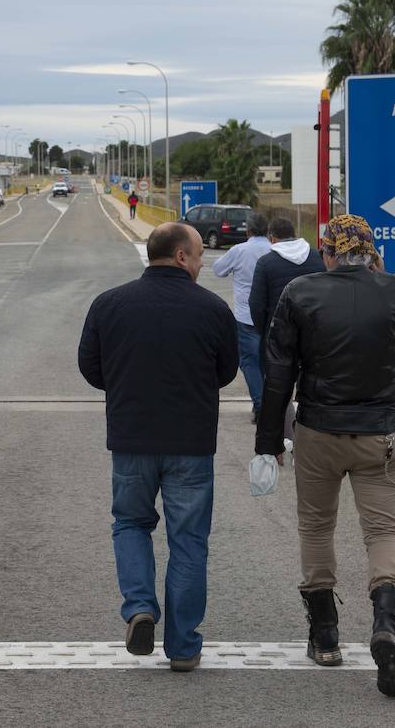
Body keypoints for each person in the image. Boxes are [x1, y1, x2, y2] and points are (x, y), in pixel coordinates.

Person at [256, 214, 395, 698]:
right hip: (380, 433)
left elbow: (279, 371)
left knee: (316, 525)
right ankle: (387, 622)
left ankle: (325, 633)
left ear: (327, 252)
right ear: (371, 250)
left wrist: (268, 439)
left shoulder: (301, 292)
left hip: (318, 430)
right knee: (384, 529)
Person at [78, 222, 238, 672]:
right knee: (188, 541)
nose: (203, 262)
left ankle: (140, 608)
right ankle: (184, 646)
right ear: (182, 257)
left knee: (130, 523)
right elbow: (226, 370)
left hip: (131, 438)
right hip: (191, 443)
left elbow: (90, 366)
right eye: (201, 254)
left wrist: (126, 388)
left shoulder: (109, 304)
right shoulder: (211, 309)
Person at [211, 212, 271, 423]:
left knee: (249, 362)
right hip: (272, 317)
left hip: (246, 317)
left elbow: (218, 270)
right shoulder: (274, 249)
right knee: (268, 361)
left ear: (248, 230)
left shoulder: (239, 250)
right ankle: (271, 405)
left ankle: (260, 405)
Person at [248, 216, 325, 342]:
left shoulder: (265, 263)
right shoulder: (317, 257)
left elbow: (256, 305)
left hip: (278, 336)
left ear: (272, 238)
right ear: (294, 234)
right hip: (314, 333)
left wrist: (266, 331)